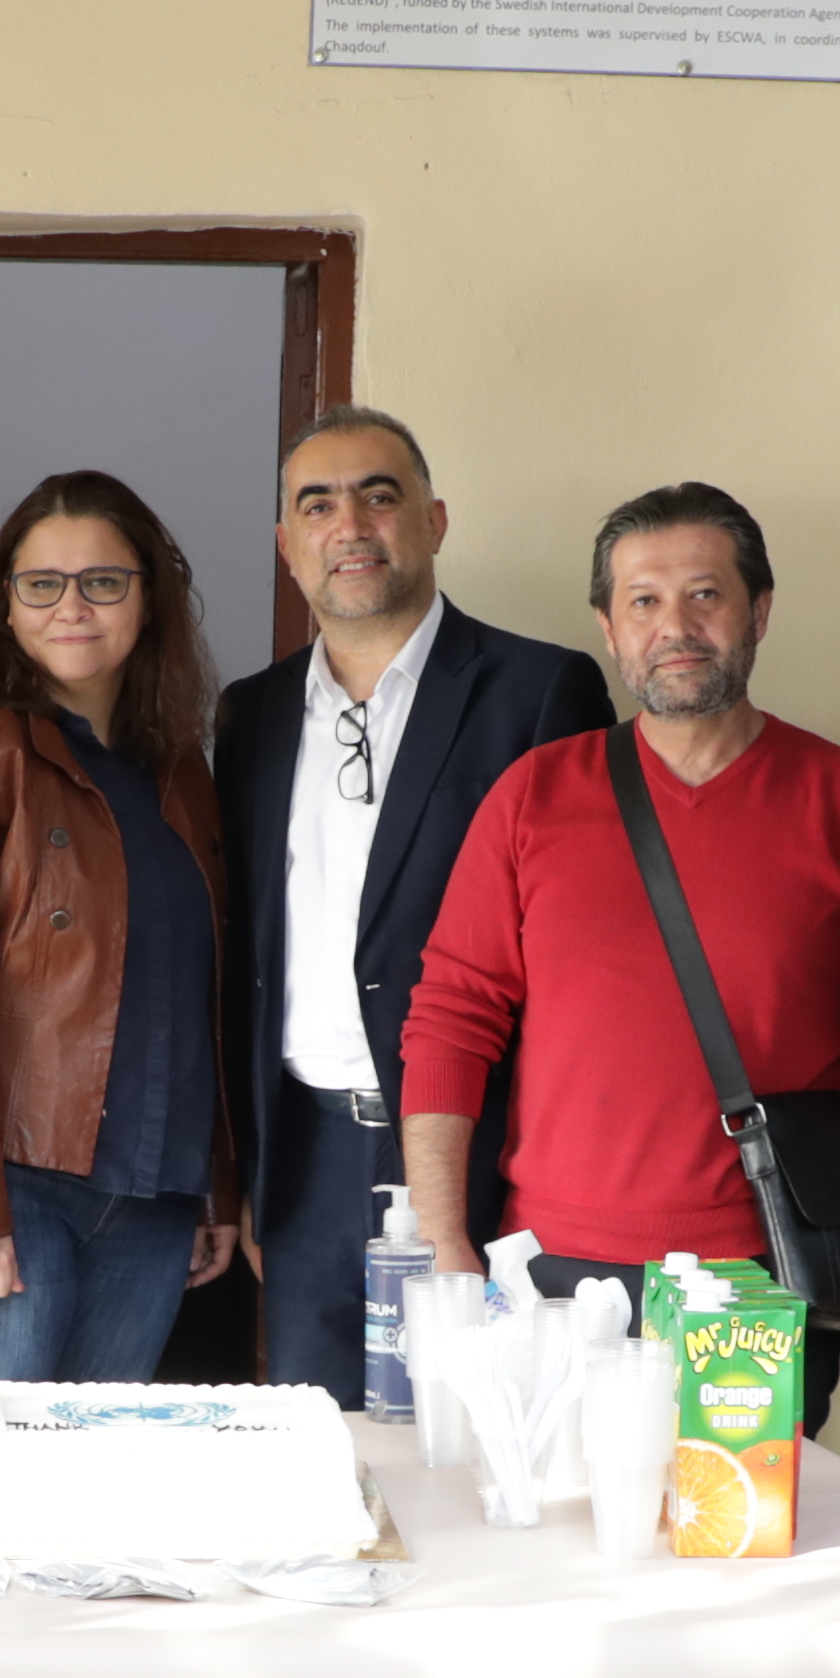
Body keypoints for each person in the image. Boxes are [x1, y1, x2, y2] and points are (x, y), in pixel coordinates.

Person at [393, 479, 840, 1678]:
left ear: (756, 610)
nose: (674, 626)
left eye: (704, 595)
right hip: (557, 1279)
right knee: (549, 1598)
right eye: (643, 600)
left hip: (758, 1292)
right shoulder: (540, 796)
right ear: (606, 627)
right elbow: (450, 1014)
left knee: (732, 1607)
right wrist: (448, 1256)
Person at [208, 407, 605, 1401]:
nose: (351, 524)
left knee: (483, 1455)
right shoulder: (248, 715)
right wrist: (249, 1172)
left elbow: (580, 955)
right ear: (286, 544)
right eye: (319, 503)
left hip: (485, 1149)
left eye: (379, 496)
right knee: (328, 1460)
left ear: (432, 520)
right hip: (301, 1160)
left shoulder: (541, 691)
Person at [0, 467, 237, 1398]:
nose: (72, 606)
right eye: (43, 584)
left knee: (86, 1488)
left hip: (150, 1197)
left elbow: (206, 990)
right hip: (6, 1180)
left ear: (149, 598)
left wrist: (210, 1185)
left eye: (104, 581)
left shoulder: (178, 771)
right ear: (8, 604)